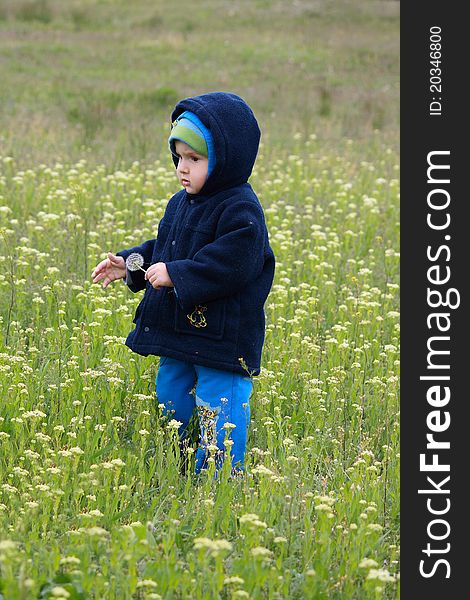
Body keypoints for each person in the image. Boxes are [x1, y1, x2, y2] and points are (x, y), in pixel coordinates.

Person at [91, 92, 275, 476]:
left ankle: (219, 476)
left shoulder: (241, 209)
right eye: (178, 157)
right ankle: (179, 453)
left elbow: (233, 263)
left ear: (226, 159)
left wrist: (179, 274)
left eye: (195, 158)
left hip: (222, 335)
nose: (182, 168)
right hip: (181, 327)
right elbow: (164, 248)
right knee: (171, 394)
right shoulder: (181, 203)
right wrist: (131, 265)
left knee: (218, 403)